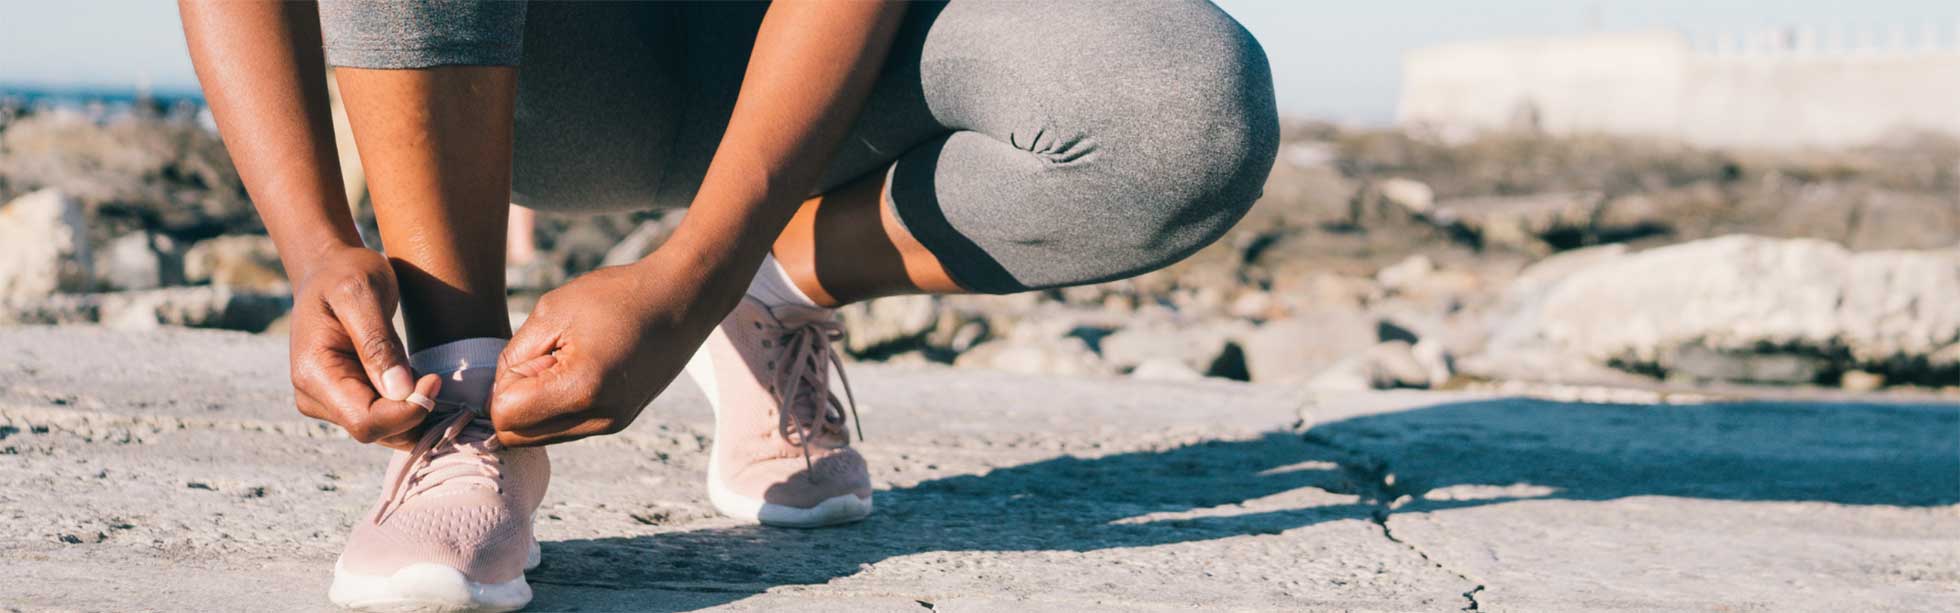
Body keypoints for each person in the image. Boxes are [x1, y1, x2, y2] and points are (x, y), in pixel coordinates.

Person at [178, 1, 1277, 610]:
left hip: (840, 62)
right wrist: (317, 243)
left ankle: (766, 290)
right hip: (533, 68)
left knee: (1178, 109)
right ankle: (463, 387)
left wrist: (699, 274)